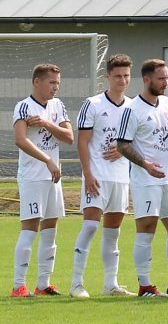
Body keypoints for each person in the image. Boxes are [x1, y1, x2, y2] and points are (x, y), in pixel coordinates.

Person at [115, 59, 168, 295]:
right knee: (147, 228)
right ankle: (145, 285)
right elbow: (122, 145)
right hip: (145, 180)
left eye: (167, 78)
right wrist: (146, 165)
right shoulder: (132, 109)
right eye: (161, 79)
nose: (165, 83)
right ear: (147, 79)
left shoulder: (167, 103)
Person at [70, 53, 134, 297]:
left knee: (113, 232)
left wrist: (124, 150)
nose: (122, 80)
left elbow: (136, 141)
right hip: (97, 175)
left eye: (126, 76)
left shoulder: (132, 106)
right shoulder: (93, 104)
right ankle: (76, 284)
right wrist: (87, 173)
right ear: (108, 76)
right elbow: (83, 141)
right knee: (90, 227)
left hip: (121, 178)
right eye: (118, 76)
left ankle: (111, 284)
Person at [11, 62, 72, 297]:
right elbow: (20, 139)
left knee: (51, 229)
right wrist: (47, 159)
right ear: (37, 82)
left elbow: (69, 136)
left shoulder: (58, 106)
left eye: (58, 83)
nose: (56, 87)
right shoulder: (23, 106)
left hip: (52, 176)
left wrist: (46, 123)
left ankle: (44, 284)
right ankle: (18, 286)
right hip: (33, 177)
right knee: (30, 228)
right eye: (51, 82)